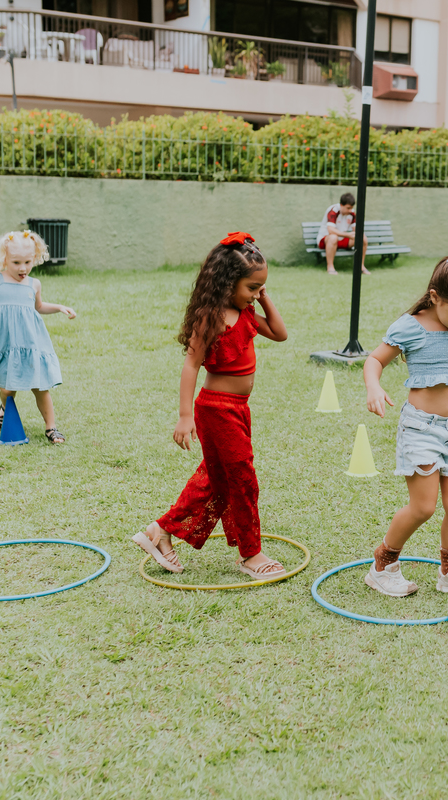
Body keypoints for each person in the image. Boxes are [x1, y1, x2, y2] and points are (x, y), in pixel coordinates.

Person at [132, 232, 289, 577]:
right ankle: (251, 554)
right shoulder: (212, 317)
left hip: (238, 408)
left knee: (217, 481)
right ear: (226, 282)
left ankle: (160, 531)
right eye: (252, 287)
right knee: (243, 480)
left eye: (260, 287)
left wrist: (263, 299)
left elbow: (280, 333)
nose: (256, 294)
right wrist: (185, 415)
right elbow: (191, 365)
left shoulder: (245, 311)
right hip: (216, 408)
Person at [361, 244, 448, 597]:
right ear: (435, 297)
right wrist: (374, 387)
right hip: (422, 428)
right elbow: (374, 360)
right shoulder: (411, 327)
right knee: (423, 507)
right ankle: (383, 565)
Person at [0, 230, 76, 444]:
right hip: (5, 343)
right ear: (4, 259)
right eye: (16, 262)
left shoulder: (34, 284)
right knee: (7, 388)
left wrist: (60, 307)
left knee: (41, 386)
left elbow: (39, 307)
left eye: (27, 262)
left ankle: (51, 428)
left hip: (30, 343)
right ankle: (5, 408)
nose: (23, 268)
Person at [316, 191, 369, 276]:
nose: (350, 210)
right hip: (326, 240)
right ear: (341, 205)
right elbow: (331, 230)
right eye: (348, 208)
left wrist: (357, 234)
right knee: (333, 237)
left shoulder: (352, 213)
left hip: (341, 240)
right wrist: (348, 235)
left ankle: (361, 266)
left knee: (363, 238)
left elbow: (356, 229)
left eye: (351, 208)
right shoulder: (333, 210)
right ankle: (330, 267)